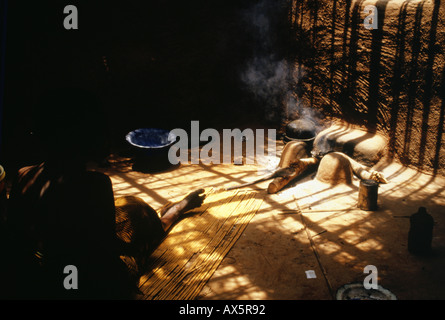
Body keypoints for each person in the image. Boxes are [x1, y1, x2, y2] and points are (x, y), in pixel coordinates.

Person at [2, 88, 205, 299]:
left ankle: (166, 213)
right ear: (88, 137)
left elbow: (17, 240)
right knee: (140, 234)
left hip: (40, 279)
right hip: (79, 284)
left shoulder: (23, 175)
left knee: (133, 208)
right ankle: (173, 213)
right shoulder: (94, 185)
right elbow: (105, 251)